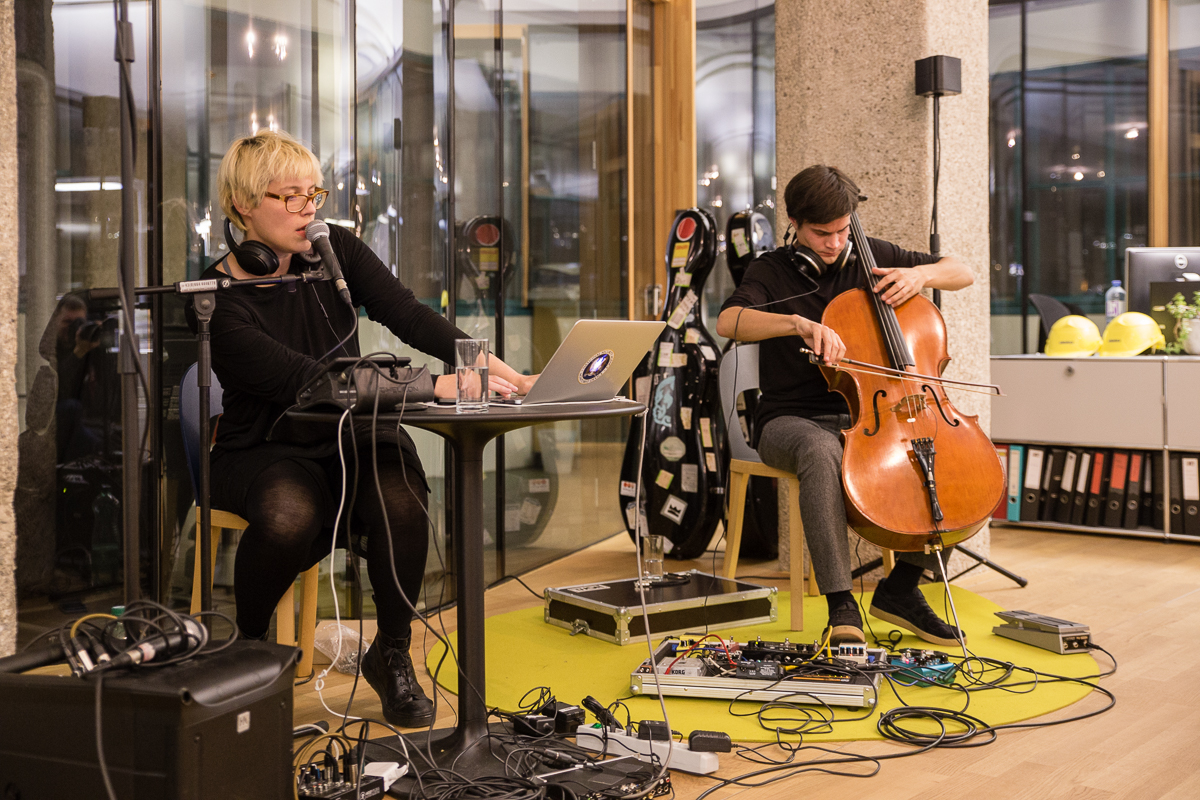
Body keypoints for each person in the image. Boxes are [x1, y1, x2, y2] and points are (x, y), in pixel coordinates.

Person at [191, 130, 536, 727]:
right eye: (290, 197)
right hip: (267, 444)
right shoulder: (214, 299)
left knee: (402, 501)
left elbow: (410, 317)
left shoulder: (336, 252)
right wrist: (433, 387)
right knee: (289, 516)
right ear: (244, 205)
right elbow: (309, 381)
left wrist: (512, 377)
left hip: (356, 428)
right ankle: (249, 648)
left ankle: (392, 653)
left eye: (314, 195)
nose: (309, 210)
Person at [716, 165, 974, 647]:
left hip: (873, 417)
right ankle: (841, 608)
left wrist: (921, 274)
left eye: (841, 230)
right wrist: (795, 323)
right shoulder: (770, 271)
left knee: (953, 456)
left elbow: (963, 271)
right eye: (821, 233)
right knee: (821, 452)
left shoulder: (876, 257)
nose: (834, 243)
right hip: (791, 420)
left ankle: (901, 590)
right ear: (795, 222)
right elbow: (729, 321)